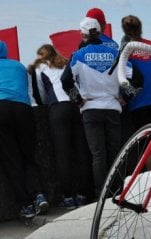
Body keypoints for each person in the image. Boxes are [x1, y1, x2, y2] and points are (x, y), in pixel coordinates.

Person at [61, 17, 141, 199]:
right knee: (114, 152)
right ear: (100, 32)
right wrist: (126, 98)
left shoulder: (78, 55)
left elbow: (65, 79)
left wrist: (77, 99)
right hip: (113, 108)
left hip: (90, 108)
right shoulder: (114, 54)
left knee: (98, 154)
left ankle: (101, 195)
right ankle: (118, 191)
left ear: (82, 34)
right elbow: (137, 77)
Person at [29, 44, 93, 209]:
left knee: (62, 154)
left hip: (57, 109)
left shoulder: (40, 68)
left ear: (41, 56)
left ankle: (68, 197)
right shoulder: (66, 63)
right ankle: (83, 194)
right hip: (75, 107)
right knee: (81, 152)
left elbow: (41, 94)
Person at [0, 40, 49, 218]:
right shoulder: (19, 66)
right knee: (29, 156)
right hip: (24, 109)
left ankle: (26, 205)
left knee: (11, 160)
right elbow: (32, 92)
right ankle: (39, 194)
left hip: (1, 110)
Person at [120, 15, 151, 131]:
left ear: (124, 31)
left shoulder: (126, 50)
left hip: (138, 102)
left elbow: (122, 75)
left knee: (144, 144)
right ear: (140, 28)